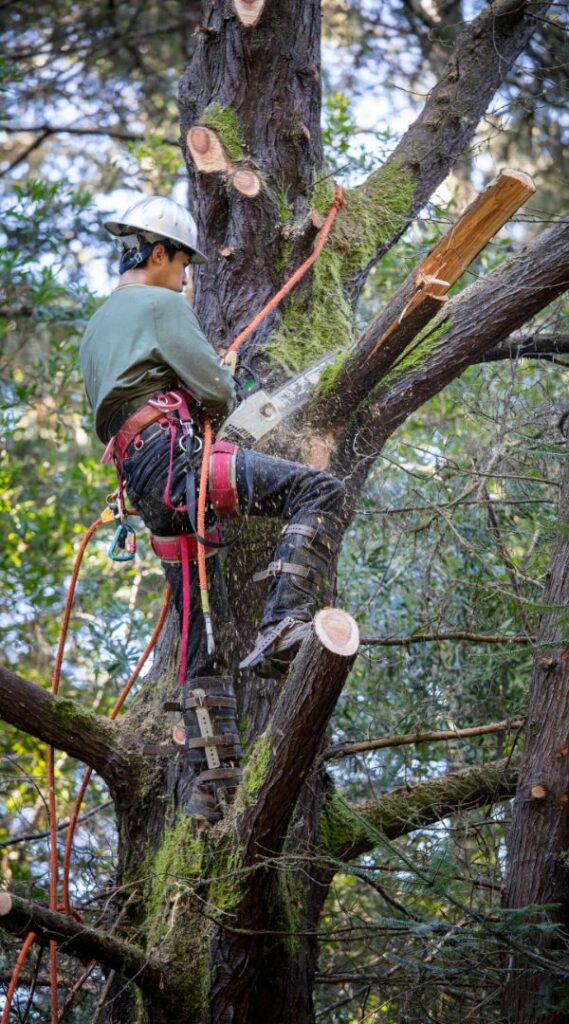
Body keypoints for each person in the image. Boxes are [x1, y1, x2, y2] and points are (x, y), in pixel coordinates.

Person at [80, 194, 345, 822]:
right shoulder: (162, 302)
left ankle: (211, 788)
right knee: (319, 491)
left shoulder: (99, 325)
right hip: (174, 463)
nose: (187, 275)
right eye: (183, 263)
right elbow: (218, 389)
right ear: (162, 252)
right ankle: (285, 621)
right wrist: (210, 370)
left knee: (202, 643)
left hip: (145, 486)